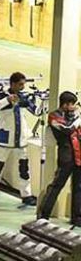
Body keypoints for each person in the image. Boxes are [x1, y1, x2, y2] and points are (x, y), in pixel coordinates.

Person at [0, 72, 39, 207]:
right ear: (12, 84)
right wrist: (7, 100)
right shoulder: (1, 95)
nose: (22, 87)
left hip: (21, 139)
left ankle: (26, 195)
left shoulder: (23, 97)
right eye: (20, 84)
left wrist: (43, 101)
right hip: (5, 138)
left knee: (24, 169)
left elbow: (37, 111)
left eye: (23, 84)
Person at [39, 91, 81, 224]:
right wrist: (78, 119)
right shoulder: (54, 116)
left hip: (78, 156)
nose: (74, 107)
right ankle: (43, 215)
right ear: (65, 104)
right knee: (56, 186)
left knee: (78, 187)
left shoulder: (73, 116)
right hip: (66, 156)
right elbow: (67, 128)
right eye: (72, 104)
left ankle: (77, 217)